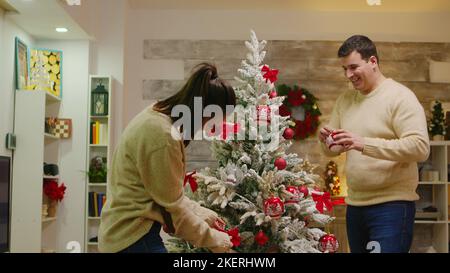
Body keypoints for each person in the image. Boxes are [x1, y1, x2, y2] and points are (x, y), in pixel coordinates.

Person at [98, 63, 236, 253]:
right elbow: (174, 210)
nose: (211, 128)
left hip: (124, 233)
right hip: (132, 238)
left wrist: (201, 212)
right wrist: (216, 240)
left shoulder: (155, 115)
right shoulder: (163, 137)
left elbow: (163, 193)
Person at [318, 35, 430, 253]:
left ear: (373, 62)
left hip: (392, 206)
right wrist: (327, 140)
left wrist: (363, 143)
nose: (349, 75)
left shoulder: (400, 97)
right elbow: (332, 149)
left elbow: (419, 147)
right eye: (345, 69)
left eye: (353, 67)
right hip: (355, 206)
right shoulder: (345, 100)